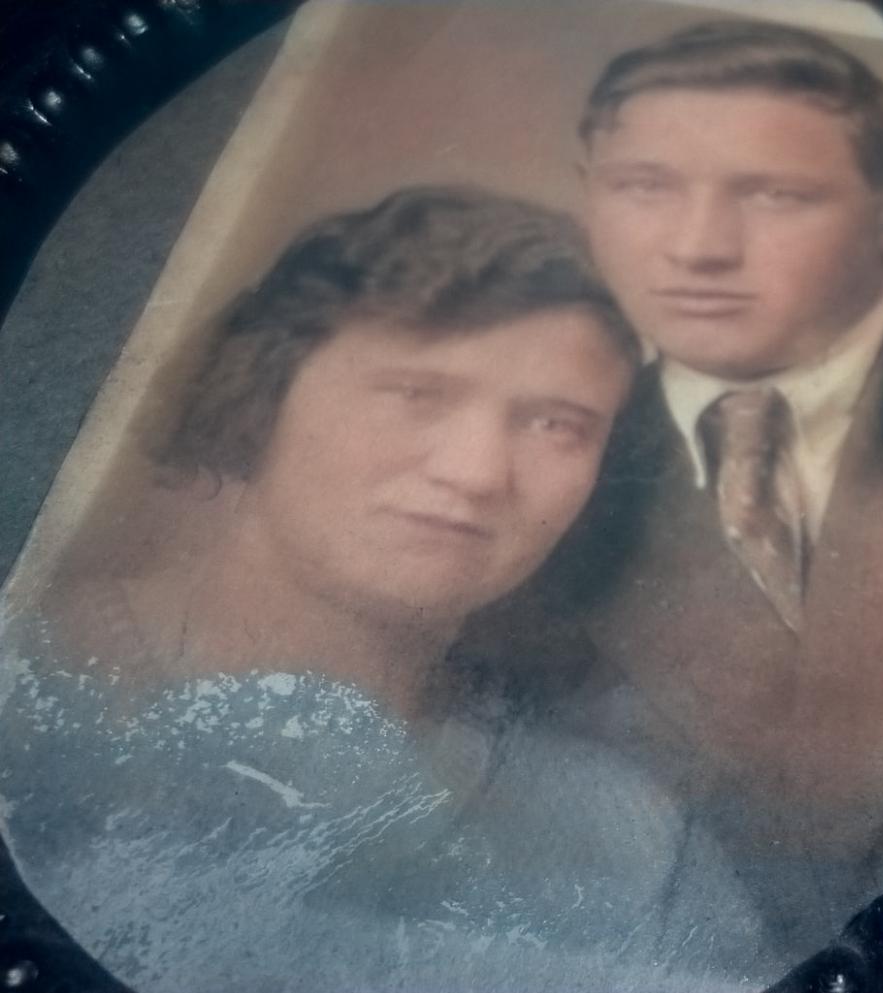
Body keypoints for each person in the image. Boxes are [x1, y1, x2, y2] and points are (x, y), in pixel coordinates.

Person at [0, 185, 760, 991]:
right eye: (416, 394)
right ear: (264, 393)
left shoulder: (627, 837)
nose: (476, 471)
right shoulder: (26, 684)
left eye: (556, 425)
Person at [575, 17, 883, 962]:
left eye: (775, 194)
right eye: (645, 186)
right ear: (587, 196)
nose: (699, 248)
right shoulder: (533, 450)